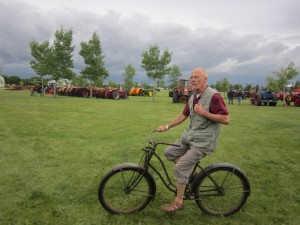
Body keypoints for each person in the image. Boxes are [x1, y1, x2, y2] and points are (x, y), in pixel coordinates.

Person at [157, 67, 229, 212]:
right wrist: (167, 126)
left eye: (197, 77)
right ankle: (190, 175)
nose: (193, 80)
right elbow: (183, 115)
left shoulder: (214, 96)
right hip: (191, 137)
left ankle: (179, 202)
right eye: (191, 77)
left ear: (205, 79)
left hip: (204, 142)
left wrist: (204, 113)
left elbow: (225, 119)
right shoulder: (193, 96)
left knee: (180, 167)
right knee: (169, 152)